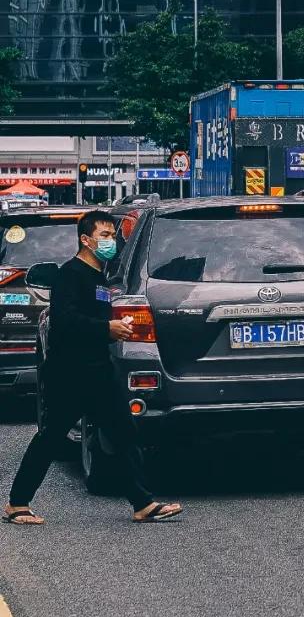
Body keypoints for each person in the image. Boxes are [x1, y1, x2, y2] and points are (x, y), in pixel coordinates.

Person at [4, 212, 182, 526]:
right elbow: (66, 322)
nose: (110, 241)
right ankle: (17, 504)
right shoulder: (70, 275)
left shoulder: (99, 275)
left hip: (98, 370)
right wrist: (107, 328)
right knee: (51, 438)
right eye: (104, 235)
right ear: (86, 239)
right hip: (71, 374)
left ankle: (143, 503)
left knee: (123, 433)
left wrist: (114, 326)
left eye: (113, 235)